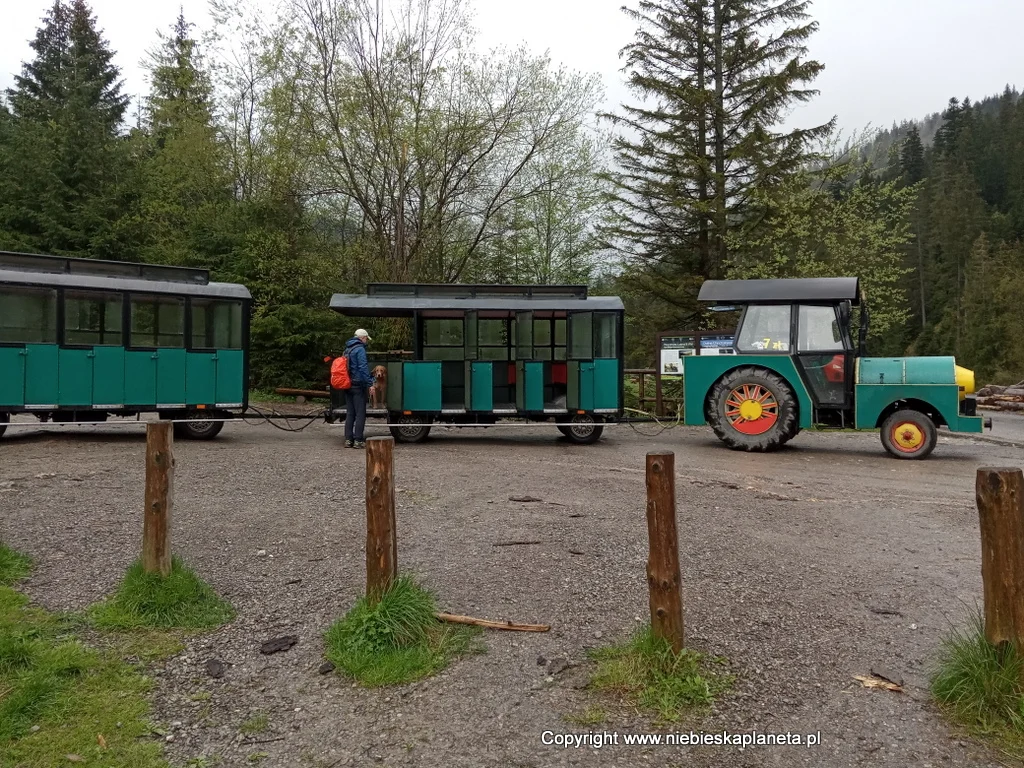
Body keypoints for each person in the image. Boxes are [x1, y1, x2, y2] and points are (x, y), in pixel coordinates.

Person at [343, 328, 375, 448]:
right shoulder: (360, 349)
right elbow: (363, 368)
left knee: (350, 413)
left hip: (347, 384)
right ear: (362, 338)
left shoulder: (347, 349)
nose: (366, 340)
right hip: (358, 385)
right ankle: (358, 440)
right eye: (366, 338)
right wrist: (370, 383)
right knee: (360, 413)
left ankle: (348, 440)